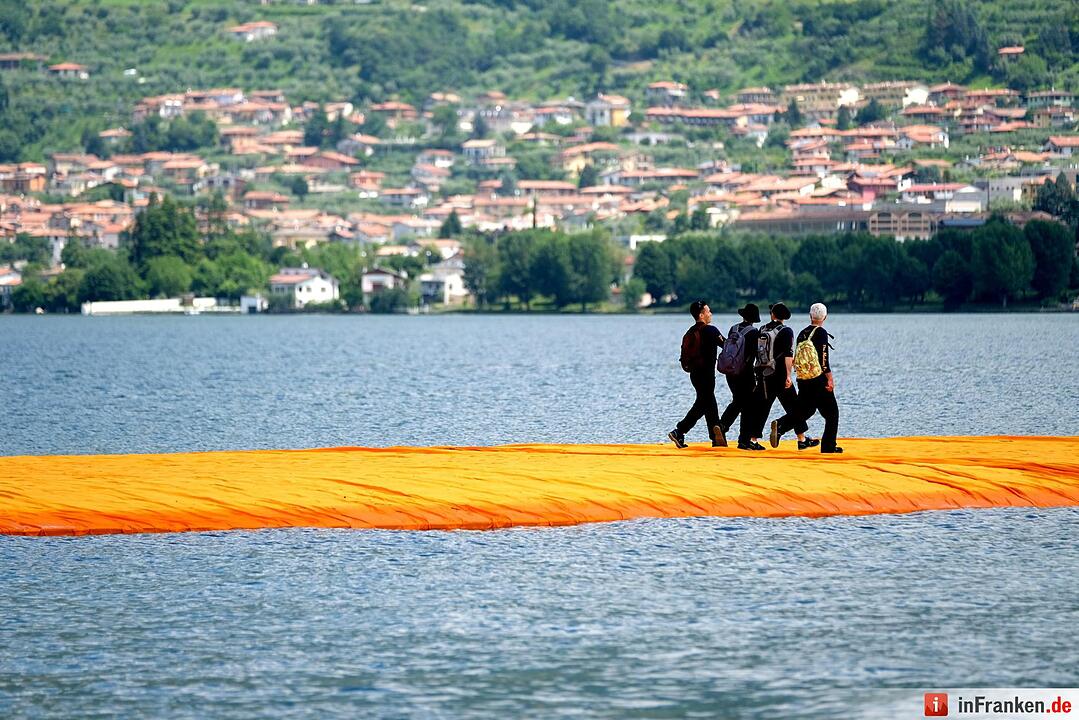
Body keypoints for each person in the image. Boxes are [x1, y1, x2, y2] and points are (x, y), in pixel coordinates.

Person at [771, 302, 842, 453]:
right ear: (825, 317)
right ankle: (828, 447)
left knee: (805, 410)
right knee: (832, 414)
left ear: (810, 316)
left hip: (803, 379)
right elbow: (823, 359)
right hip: (818, 379)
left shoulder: (802, 333)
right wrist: (829, 378)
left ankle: (781, 425)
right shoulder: (821, 333)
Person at [749, 302, 818, 451]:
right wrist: (788, 375)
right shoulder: (786, 331)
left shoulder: (762, 329)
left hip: (764, 374)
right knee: (794, 406)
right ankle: (800, 439)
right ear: (785, 316)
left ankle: (753, 440)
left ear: (772, 315)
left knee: (763, 407)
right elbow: (788, 355)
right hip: (779, 375)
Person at [668, 299, 725, 448]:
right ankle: (679, 431)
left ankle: (716, 438)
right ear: (701, 315)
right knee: (703, 404)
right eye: (708, 311)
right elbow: (726, 345)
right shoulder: (711, 330)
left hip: (694, 374)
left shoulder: (690, 331)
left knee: (709, 403)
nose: (710, 313)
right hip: (706, 375)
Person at [715, 303, 760, 449]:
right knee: (748, 406)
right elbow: (754, 355)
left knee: (739, 401)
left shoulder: (733, 328)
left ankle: (724, 427)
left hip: (730, 372)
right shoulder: (753, 332)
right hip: (745, 373)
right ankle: (739, 437)